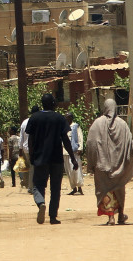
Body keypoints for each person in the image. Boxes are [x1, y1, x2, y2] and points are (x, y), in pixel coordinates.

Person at [85, 99, 133, 225]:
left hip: (102, 166)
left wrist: (91, 163)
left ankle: (111, 217)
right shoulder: (122, 124)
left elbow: (90, 144)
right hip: (119, 166)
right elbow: (131, 145)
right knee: (119, 190)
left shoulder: (97, 123)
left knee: (106, 190)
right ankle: (120, 215)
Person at [24, 94, 79, 225]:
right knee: (55, 188)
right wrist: (73, 158)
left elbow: (30, 140)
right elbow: (66, 140)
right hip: (56, 159)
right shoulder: (59, 118)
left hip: (40, 158)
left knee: (38, 185)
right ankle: (53, 216)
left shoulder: (34, 118)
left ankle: (41, 202)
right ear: (53, 103)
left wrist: (31, 156)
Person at [19, 105, 40, 192]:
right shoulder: (38, 121)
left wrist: (20, 150)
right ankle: (31, 187)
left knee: (28, 167)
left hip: (25, 148)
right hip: (34, 148)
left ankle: (28, 184)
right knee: (33, 168)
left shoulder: (24, 122)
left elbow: (21, 137)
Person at [64, 112, 85, 195]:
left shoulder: (76, 126)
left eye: (67, 117)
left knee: (76, 170)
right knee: (69, 171)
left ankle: (79, 188)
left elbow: (80, 137)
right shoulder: (64, 127)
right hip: (65, 152)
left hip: (74, 152)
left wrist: (80, 148)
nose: (66, 119)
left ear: (71, 118)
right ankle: (73, 188)